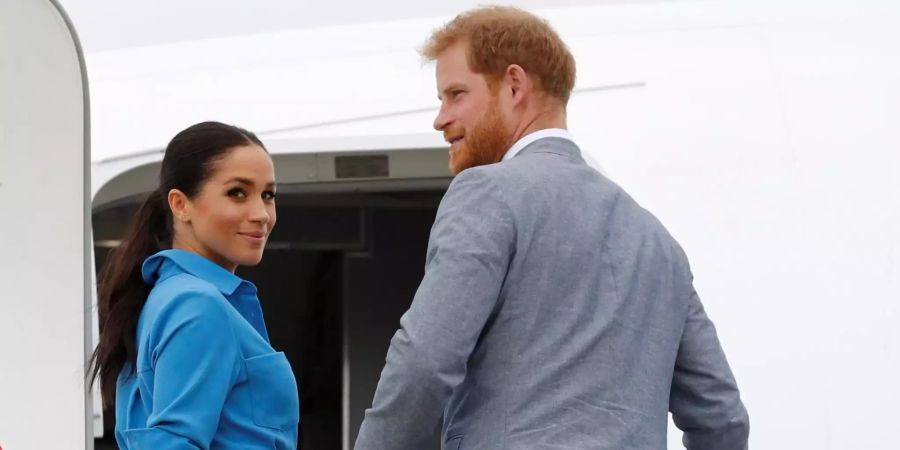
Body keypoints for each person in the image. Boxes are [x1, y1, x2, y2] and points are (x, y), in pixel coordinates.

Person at [355, 6, 749, 450]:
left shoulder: (486, 193)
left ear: (514, 85)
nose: (440, 117)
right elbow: (722, 417)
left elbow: (424, 364)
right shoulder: (657, 240)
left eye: (455, 94)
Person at [88, 121, 299, 449]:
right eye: (237, 193)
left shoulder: (166, 297)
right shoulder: (197, 305)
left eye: (268, 195)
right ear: (180, 204)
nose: (261, 213)